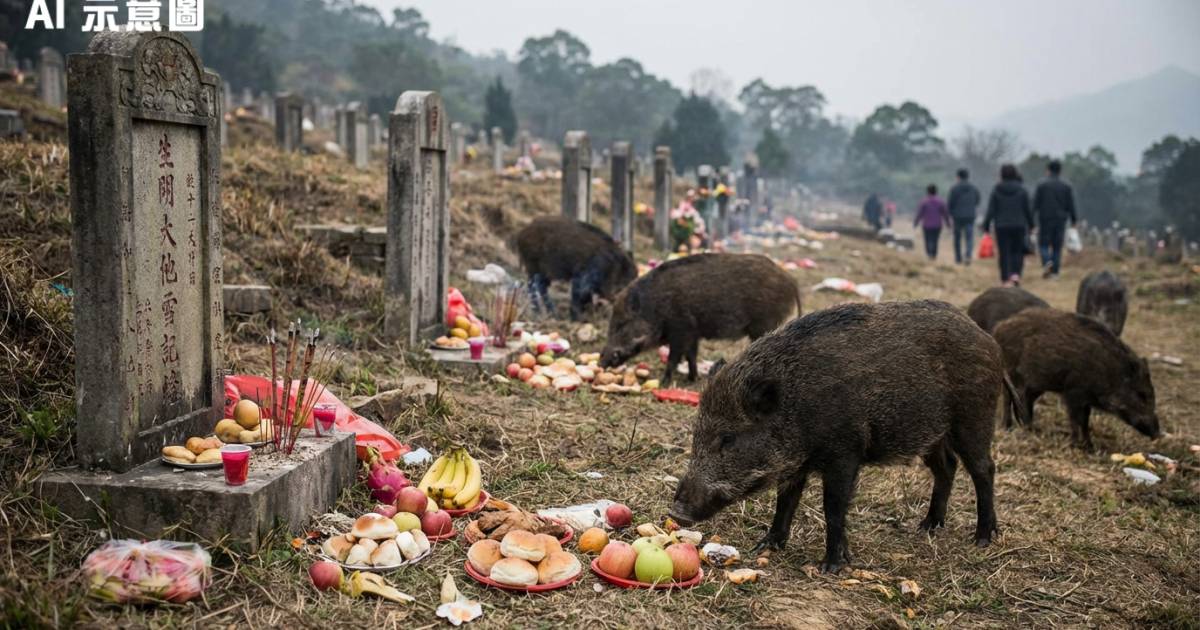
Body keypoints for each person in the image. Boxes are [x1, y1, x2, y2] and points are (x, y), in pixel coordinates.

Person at [982, 164, 1034, 286]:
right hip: (1019, 225)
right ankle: (1016, 275)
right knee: (1017, 251)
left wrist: (986, 226)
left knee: (1004, 252)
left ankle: (1005, 278)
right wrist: (1032, 224)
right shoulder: (1022, 190)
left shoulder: (996, 190)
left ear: (1002, 174)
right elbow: (1027, 209)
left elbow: (991, 210)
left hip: (1001, 226)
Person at [1032, 159, 1078, 278]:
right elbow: (1071, 205)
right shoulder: (1066, 186)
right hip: (1060, 220)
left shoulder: (1042, 185)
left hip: (1045, 219)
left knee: (1043, 244)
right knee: (1057, 246)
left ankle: (1047, 261)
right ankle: (1055, 272)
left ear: (1048, 170)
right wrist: (1074, 220)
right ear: (1060, 171)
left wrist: (1031, 219)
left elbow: (1035, 204)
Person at [947, 168, 981, 265]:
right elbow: (978, 200)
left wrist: (950, 214)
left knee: (957, 237)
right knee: (969, 237)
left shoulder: (954, 188)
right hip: (970, 216)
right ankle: (968, 255)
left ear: (958, 177)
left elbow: (950, 203)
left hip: (957, 216)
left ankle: (958, 258)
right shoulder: (974, 188)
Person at [913, 184, 950, 260]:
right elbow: (945, 213)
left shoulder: (924, 202)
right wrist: (948, 223)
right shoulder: (940, 202)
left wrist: (916, 222)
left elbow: (920, 213)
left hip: (927, 225)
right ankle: (933, 254)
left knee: (927, 239)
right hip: (937, 225)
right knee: (935, 240)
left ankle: (929, 253)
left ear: (927, 191)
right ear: (936, 191)